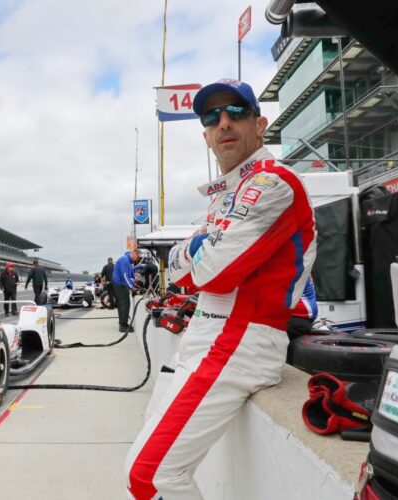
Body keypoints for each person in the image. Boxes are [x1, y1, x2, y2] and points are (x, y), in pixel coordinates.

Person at [125, 79, 316, 499]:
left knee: (151, 476)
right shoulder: (228, 193)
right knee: (139, 465)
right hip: (207, 335)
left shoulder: (273, 183)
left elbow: (210, 273)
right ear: (206, 134)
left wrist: (193, 251)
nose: (224, 122)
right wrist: (194, 253)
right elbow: (180, 272)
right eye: (212, 117)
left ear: (259, 123)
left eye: (236, 112)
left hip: (241, 341)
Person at [112, 248, 140, 332]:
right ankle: (123, 326)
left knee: (122, 304)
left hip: (120, 283)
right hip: (120, 284)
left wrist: (135, 280)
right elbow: (125, 275)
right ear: (134, 254)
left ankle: (122, 323)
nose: (137, 259)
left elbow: (130, 273)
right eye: (137, 257)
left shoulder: (127, 260)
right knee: (125, 303)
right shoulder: (125, 261)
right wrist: (132, 287)